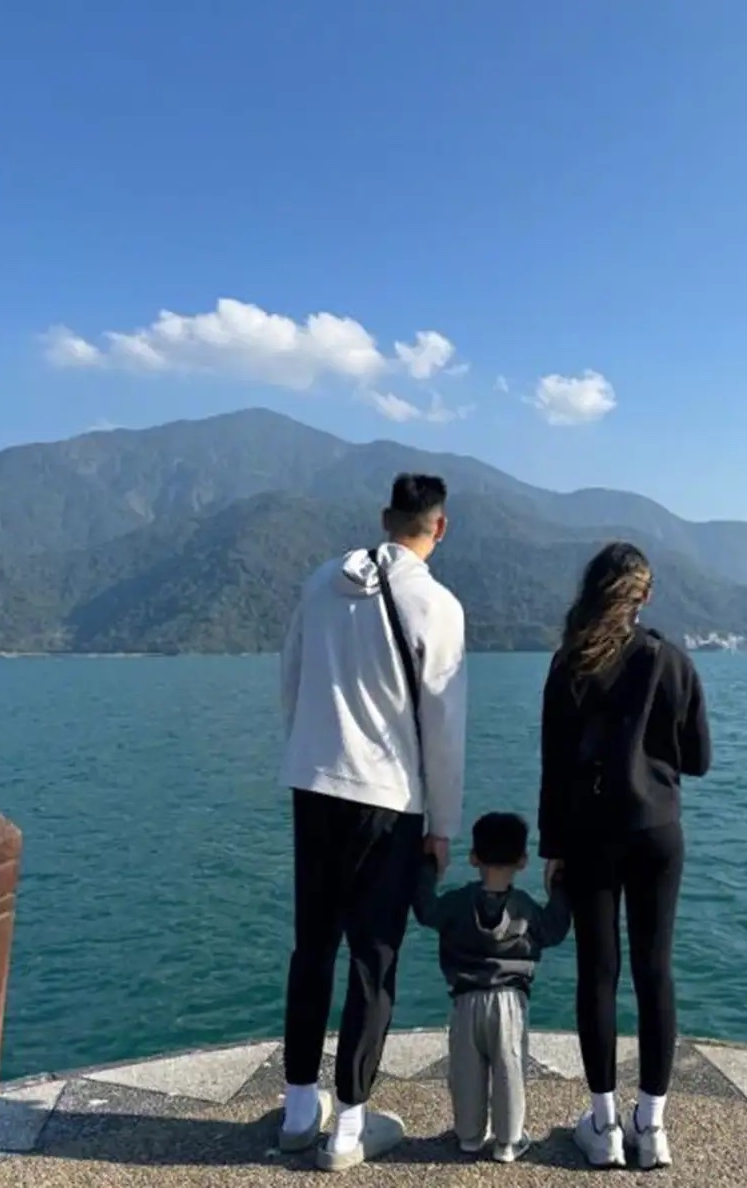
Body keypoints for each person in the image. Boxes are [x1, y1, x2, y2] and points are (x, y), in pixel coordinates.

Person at [279, 474, 468, 1172]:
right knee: (373, 958)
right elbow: (444, 728)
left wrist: (308, 752)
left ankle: (299, 1112)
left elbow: (291, 680)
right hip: (388, 801)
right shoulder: (436, 604)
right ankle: (350, 1127)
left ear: (386, 517)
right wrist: (442, 823)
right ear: (439, 527)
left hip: (313, 785)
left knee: (312, 948)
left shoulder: (319, 583)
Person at [538, 543, 711, 1172]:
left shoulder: (570, 662)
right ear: (646, 596)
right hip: (658, 831)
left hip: (590, 834)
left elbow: (554, 765)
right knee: (655, 972)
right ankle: (652, 1126)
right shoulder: (672, 660)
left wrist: (552, 847)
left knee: (598, 973)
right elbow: (699, 759)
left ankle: (604, 1125)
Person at [412, 811, 571, 1164]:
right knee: (509, 1069)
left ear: (473, 857)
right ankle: (508, 1141)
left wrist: (428, 869)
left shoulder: (455, 903)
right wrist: (559, 887)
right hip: (510, 1001)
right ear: (522, 861)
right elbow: (556, 929)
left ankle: (469, 1136)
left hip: (465, 999)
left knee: (466, 1070)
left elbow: (425, 910)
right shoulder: (526, 909)